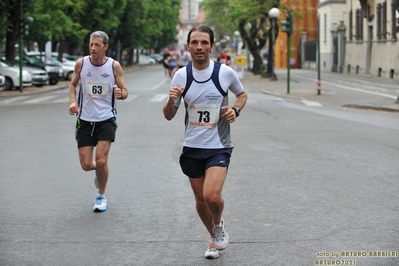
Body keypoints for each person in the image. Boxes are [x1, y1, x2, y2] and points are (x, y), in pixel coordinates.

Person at [163, 25, 248, 259]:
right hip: (192, 146)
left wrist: (236, 110)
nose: (199, 47)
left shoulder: (225, 73)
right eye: (194, 42)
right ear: (188, 46)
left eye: (204, 42)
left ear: (211, 45)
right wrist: (171, 100)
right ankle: (213, 237)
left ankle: (218, 224)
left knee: (211, 196)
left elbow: (242, 94)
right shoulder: (181, 75)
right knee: (200, 200)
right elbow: (169, 115)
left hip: (219, 146)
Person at [68, 31, 128, 212]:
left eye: (97, 45)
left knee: (101, 161)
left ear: (105, 47)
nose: (93, 48)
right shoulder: (81, 63)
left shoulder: (113, 66)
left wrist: (121, 94)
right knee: (87, 165)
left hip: (106, 119)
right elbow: (72, 85)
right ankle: (98, 171)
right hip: (85, 120)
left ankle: (101, 196)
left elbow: (125, 91)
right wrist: (73, 101)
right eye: (91, 45)